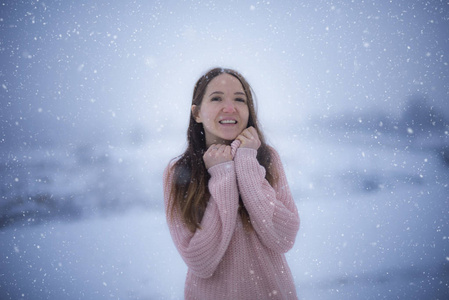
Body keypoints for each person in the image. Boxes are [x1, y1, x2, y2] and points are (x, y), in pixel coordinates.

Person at [163, 67, 300, 299]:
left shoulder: (267, 158)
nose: (230, 108)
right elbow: (201, 262)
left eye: (239, 99)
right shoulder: (179, 172)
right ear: (196, 113)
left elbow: (284, 237)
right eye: (216, 98)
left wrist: (246, 163)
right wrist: (223, 175)